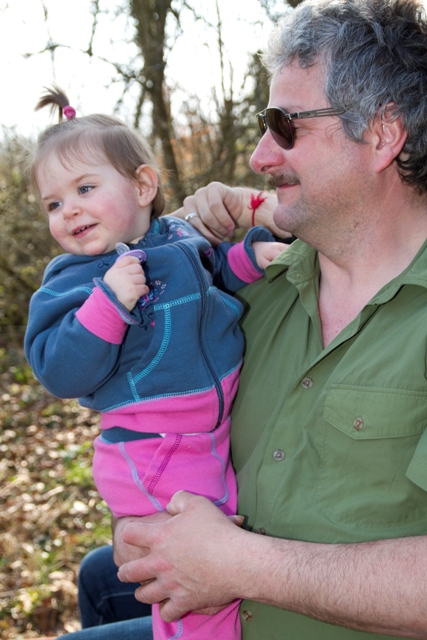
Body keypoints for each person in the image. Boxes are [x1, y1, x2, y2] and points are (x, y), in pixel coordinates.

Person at [30, 0, 427, 637]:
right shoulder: (258, 284)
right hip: (216, 607)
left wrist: (242, 565)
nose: (259, 155)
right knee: (104, 576)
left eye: (286, 125)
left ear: (383, 134)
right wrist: (182, 231)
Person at [24, 88, 286, 640]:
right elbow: (58, 369)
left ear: (143, 186)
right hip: (154, 450)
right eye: (53, 203)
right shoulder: (72, 281)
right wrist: (108, 304)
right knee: (195, 579)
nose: (68, 210)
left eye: (85, 188)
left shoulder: (179, 239)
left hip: (202, 437)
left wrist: (251, 255)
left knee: (196, 571)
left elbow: (213, 276)